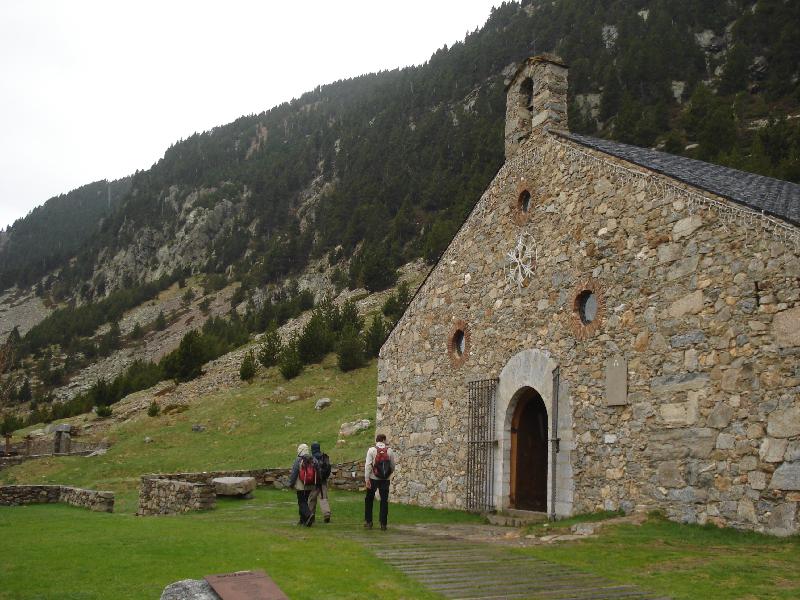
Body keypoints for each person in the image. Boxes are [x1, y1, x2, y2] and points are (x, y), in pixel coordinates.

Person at [364, 433, 396, 531]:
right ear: (384, 440)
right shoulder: (389, 450)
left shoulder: (371, 450)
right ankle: (383, 524)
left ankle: (369, 522)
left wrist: (367, 479)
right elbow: (392, 465)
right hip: (385, 480)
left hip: (373, 478)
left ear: (377, 440)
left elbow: (368, 465)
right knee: (384, 501)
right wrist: (388, 474)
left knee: (369, 500)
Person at [288, 443, 316, 526]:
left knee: (301, 502)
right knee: (304, 501)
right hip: (310, 484)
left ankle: (308, 515)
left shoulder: (298, 459)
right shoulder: (312, 459)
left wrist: (291, 484)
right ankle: (302, 520)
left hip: (301, 485)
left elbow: (294, 473)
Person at [307, 441, 332, 523]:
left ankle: (311, 515)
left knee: (312, 499)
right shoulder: (324, 457)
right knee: (323, 498)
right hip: (323, 481)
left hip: (313, 482)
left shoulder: (311, 458)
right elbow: (328, 469)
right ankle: (326, 514)